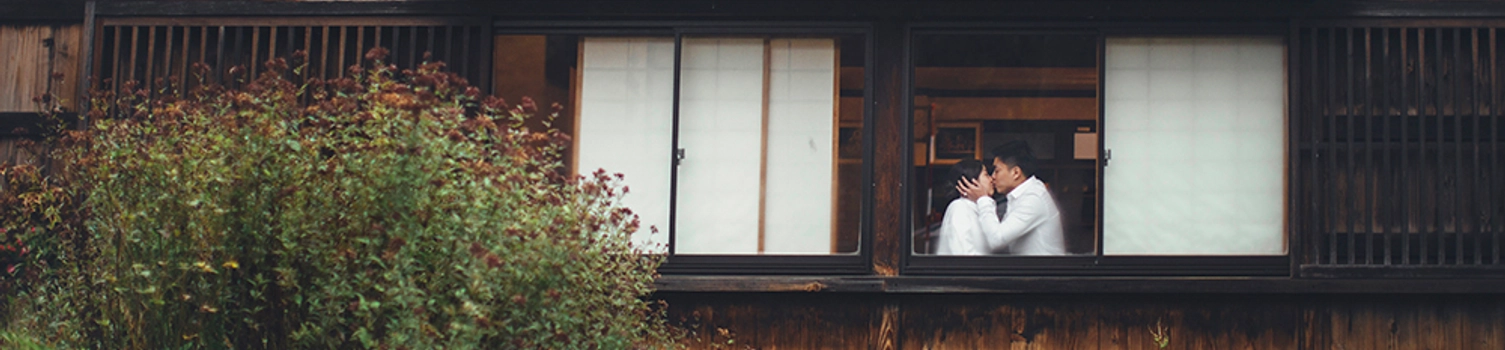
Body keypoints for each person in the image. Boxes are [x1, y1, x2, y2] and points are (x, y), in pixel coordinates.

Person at [956, 141, 1066, 255]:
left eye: (997, 170)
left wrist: (983, 199)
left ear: (1015, 172)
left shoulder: (1033, 197)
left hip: (1045, 271)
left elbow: (997, 240)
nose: (993, 177)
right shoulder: (1019, 196)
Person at [933, 159, 990, 255]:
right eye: (986, 175)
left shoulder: (981, 209)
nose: (991, 179)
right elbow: (963, 253)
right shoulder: (959, 208)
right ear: (972, 181)